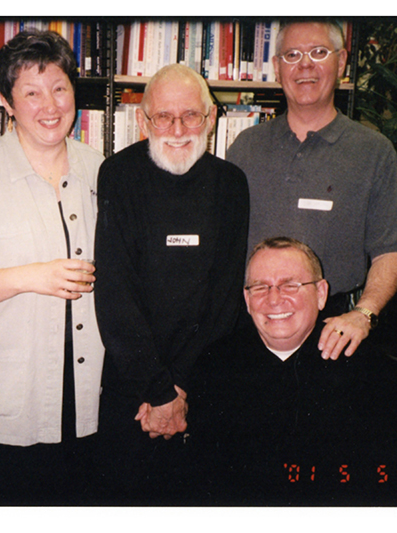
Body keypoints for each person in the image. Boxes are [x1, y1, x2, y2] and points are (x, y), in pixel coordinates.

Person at [0, 30, 104, 505]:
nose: (48, 105)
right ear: (8, 102)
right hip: (12, 400)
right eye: (31, 92)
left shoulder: (100, 168)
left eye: (59, 88)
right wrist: (33, 277)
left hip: (90, 393)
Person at [93, 63, 249, 503]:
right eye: (163, 117)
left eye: (191, 116)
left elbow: (225, 297)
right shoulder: (118, 175)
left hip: (203, 379)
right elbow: (115, 292)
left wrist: (180, 387)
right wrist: (159, 392)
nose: (178, 129)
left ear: (211, 118)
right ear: (143, 121)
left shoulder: (231, 184)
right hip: (134, 382)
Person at [226, 19, 397, 361]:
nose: (305, 65)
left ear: (341, 62)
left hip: (337, 331)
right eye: (292, 55)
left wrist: (364, 314)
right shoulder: (244, 148)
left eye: (318, 52)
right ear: (277, 68)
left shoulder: (373, 151)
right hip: (253, 327)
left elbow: (391, 249)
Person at [191, 237, 397, 504]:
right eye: (260, 287)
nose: (274, 300)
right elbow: (203, 479)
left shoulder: (370, 370)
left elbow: (393, 479)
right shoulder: (215, 365)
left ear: (321, 294)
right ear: (247, 300)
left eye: (290, 285)